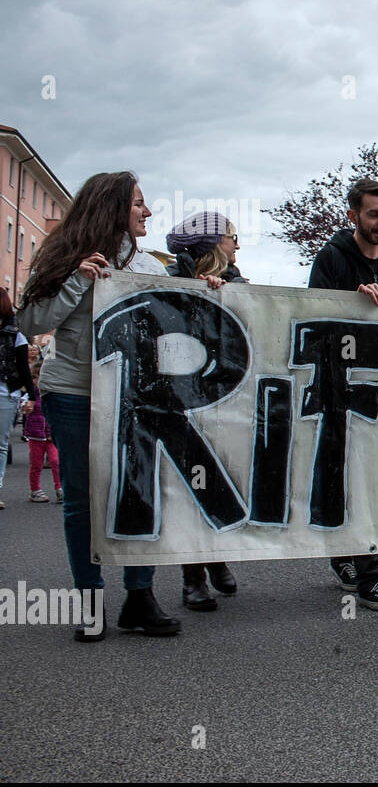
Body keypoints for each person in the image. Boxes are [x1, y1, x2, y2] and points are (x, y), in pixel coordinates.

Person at [16, 171, 181, 639]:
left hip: (136, 396)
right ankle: (89, 601)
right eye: (137, 204)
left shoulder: (149, 266)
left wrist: (207, 293)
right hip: (73, 393)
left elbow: (175, 322)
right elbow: (31, 323)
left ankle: (140, 597)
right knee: (83, 502)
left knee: (139, 493)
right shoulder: (65, 260)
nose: (146, 213)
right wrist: (76, 280)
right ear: (111, 209)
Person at [307, 178, 378, 610]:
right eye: (375, 214)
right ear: (353, 215)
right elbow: (312, 318)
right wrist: (348, 304)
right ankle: (369, 573)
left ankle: (350, 554)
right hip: (340, 390)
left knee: (373, 478)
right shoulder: (332, 258)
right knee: (346, 474)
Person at [165, 211, 244, 609]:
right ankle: (192, 575)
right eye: (232, 237)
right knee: (188, 487)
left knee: (220, 478)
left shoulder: (239, 283)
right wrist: (195, 295)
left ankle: (216, 556)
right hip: (182, 400)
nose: (237, 245)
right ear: (213, 244)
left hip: (226, 397)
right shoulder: (170, 280)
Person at [1, 287, 37, 508]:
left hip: (7, 393)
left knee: (1, 444)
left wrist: (31, 397)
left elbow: (24, 368)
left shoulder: (16, 334)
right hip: (9, 394)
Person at [166, 210, 247, 284]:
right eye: (234, 238)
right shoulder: (167, 280)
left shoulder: (234, 278)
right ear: (215, 243)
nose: (237, 246)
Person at [21, 359, 62, 503]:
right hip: (35, 435)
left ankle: (60, 488)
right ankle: (35, 490)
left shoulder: (52, 395)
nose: (39, 380)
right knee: (36, 464)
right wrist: (25, 407)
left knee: (56, 461)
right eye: (36, 377)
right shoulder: (31, 396)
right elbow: (23, 405)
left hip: (51, 435)